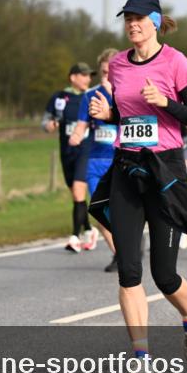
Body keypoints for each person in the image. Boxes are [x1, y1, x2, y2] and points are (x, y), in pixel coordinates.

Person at [86, 0, 187, 373]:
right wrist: (109, 114)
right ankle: (141, 362)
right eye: (126, 19)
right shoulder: (117, 64)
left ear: (154, 21)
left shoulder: (175, 61)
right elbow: (127, 113)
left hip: (165, 169)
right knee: (129, 273)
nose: (131, 24)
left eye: (137, 18)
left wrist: (165, 101)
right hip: (126, 168)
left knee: (164, 275)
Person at [71, 49, 120, 272]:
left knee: (121, 211)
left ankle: (129, 246)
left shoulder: (125, 93)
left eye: (111, 72)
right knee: (100, 212)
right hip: (94, 162)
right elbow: (82, 123)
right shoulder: (90, 96)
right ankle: (120, 255)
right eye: (103, 72)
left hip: (118, 160)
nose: (106, 76)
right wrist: (77, 135)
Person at [42, 63, 94, 252]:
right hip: (67, 151)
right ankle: (89, 229)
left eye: (89, 76)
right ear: (73, 77)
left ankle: (75, 236)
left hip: (86, 149)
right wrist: (49, 126)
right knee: (76, 194)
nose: (88, 79)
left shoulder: (93, 96)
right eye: (84, 75)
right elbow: (46, 120)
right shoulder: (59, 97)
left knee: (79, 192)